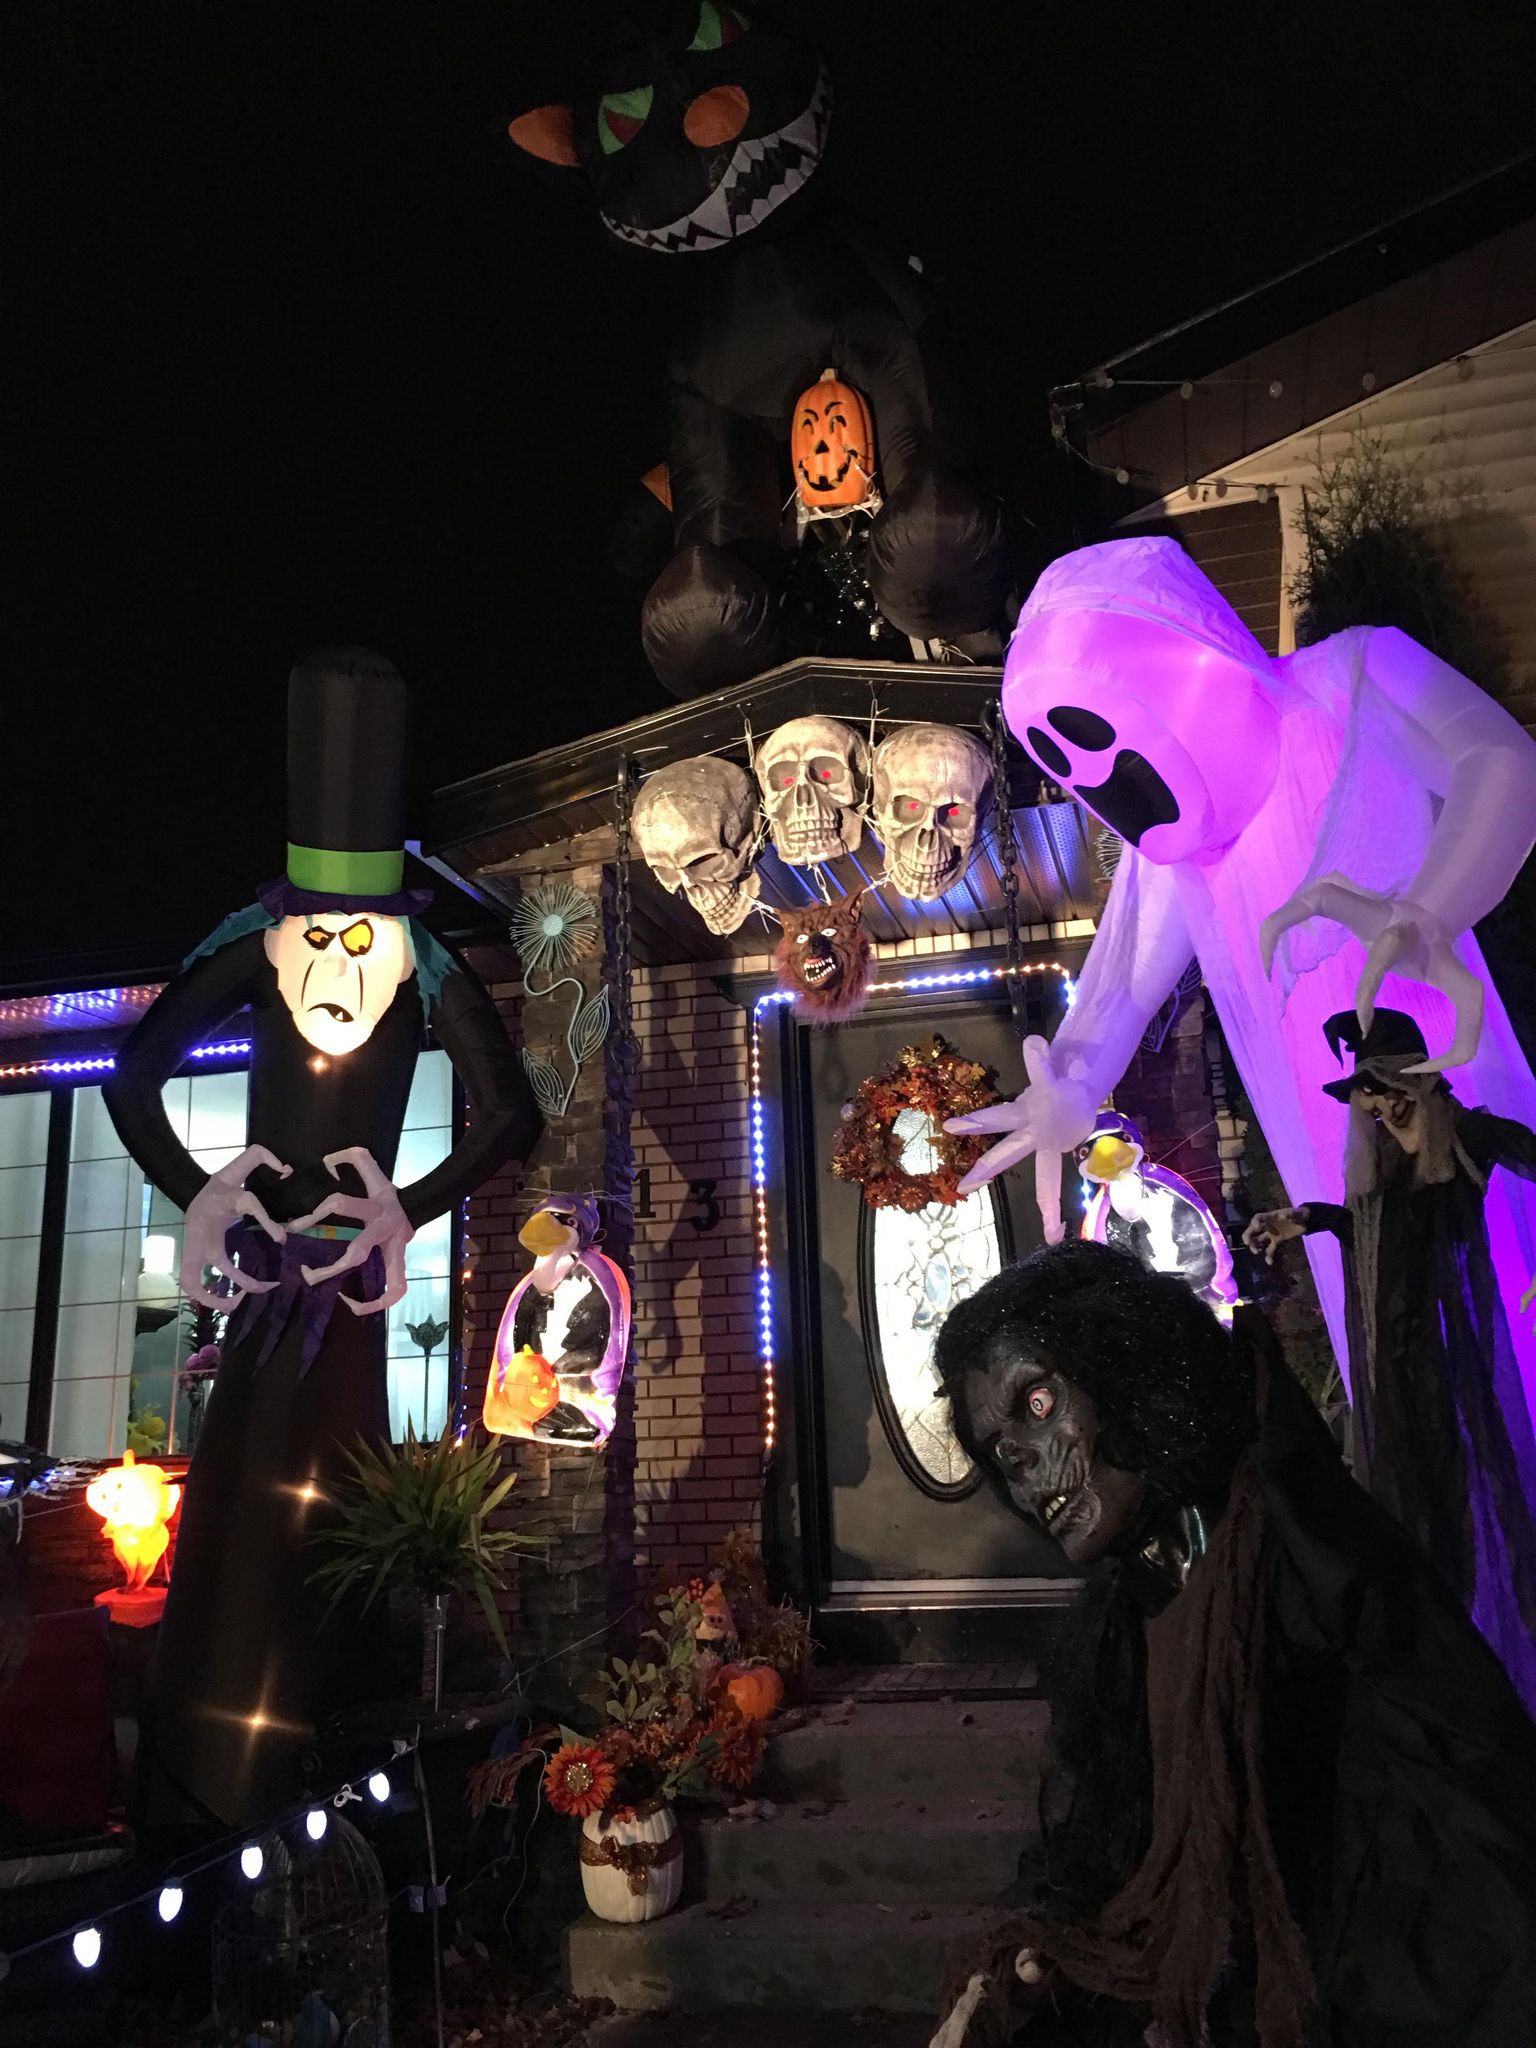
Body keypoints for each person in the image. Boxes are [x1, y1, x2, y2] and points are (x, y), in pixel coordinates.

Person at [930, 1240, 1536, 2048]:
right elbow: (1101, 1843)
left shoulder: (1311, 1558)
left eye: (1039, 1404)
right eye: (1001, 1453)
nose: (1028, 1472)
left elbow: (1465, 1823)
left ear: (1125, 1368)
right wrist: (1016, 1963)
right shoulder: (1119, 1626)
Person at [1244, 1008, 1536, 1708]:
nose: (1374, 1111)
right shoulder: (1389, 1166)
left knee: (1466, 1502)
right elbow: (1374, 1234)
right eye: (1367, 1101)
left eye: (1381, 1094)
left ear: (1414, 1085)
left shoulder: (1465, 1139)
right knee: (1409, 1512)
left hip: (1450, 1368)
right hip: (1394, 1370)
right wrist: (1305, 1219)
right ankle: (1438, 1661)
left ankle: (1483, 1658)